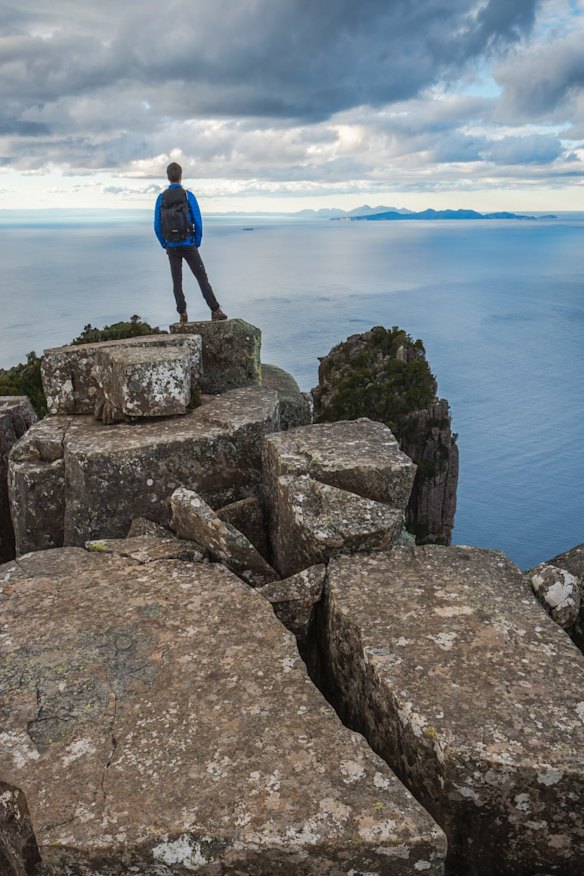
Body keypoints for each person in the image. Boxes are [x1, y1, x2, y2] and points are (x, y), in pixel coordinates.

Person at [154, 162, 227, 323]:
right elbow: (197, 220)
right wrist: (196, 241)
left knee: (177, 281)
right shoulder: (188, 196)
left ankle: (183, 314)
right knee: (202, 278)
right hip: (188, 244)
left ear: (168, 176)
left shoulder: (161, 198)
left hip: (172, 246)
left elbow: (157, 225)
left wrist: (164, 243)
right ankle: (215, 310)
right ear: (180, 176)